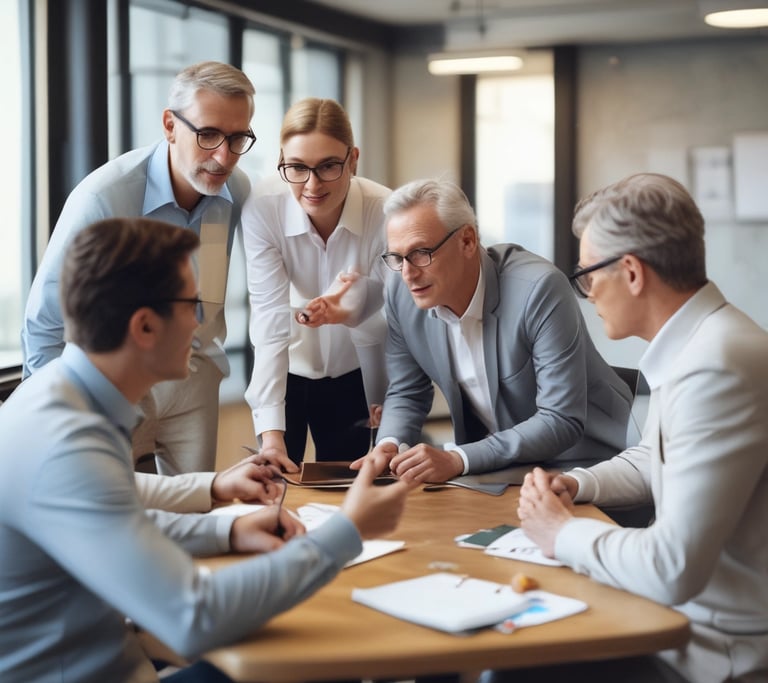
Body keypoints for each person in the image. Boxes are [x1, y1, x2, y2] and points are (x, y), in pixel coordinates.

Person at [0, 216, 414, 683]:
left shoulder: (55, 398)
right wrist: (348, 529)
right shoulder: (65, 443)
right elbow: (194, 617)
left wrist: (228, 532)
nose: (202, 322)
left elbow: (114, 517)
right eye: (192, 304)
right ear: (144, 326)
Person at [513, 173, 768, 683]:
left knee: (516, 664)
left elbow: (672, 567)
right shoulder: (703, 342)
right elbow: (656, 458)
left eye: (588, 275)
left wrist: (560, 532)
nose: (587, 293)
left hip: (713, 654)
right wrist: (578, 484)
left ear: (631, 272)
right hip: (681, 625)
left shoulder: (715, 364)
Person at [21, 60, 255, 475]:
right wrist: (49, 422)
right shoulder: (104, 198)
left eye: (238, 138)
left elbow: (212, 293)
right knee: (116, 508)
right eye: (208, 135)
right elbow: (45, 320)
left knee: (198, 506)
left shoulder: (234, 190)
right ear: (170, 125)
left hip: (195, 371)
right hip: (117, 380)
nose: (223, 157)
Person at [353, 178, 633, 484]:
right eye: (397, 257)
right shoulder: (401, 292)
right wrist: (388, 444)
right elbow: (407, 391)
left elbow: (560, 419)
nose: (408, 273)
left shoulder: (538, 289)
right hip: (498, 468)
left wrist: (457, 457)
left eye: (421, 253)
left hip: (585, 463)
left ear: (468, 241)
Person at [242, 97, 390, 467]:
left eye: (328, 167)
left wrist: (386, 407)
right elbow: (270, 317)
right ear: (281, 162)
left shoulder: (385, 211)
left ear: (353, 160)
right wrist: (271, 436)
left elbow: (400, 318)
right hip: (286, 369)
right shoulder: (263, 207)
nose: (312, 184)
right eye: (296, 167)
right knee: (276, 483)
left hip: (355, 371)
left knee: (350, 489)